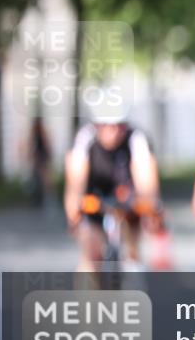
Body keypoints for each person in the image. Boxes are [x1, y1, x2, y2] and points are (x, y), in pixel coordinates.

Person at [63, 99, 162, 272]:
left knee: (133, 248)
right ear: (96, 126)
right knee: (91, 254)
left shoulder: (137, 138)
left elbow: (146, 179)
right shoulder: (84, 138)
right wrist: (73, 212)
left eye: (119, 126)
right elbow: (75, 181)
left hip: (127, 197)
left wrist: (150, 208)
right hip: (93, 196)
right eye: (106, 126)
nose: (113, 132)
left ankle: (133, 276)